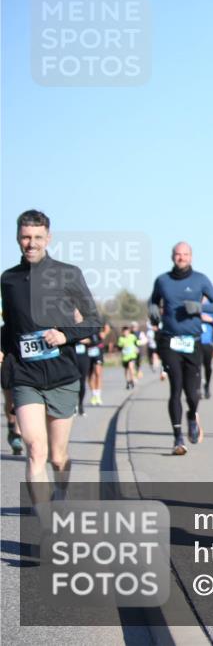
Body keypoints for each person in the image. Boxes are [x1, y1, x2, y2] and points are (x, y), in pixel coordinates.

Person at [0, 210, 100, 511]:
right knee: (35, 450)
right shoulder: (8, 279)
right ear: (18, 238)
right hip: (25, 375)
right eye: (25, 237)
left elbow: (93, 322)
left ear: (49, 238)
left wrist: (64, 334)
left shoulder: (68, 274)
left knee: (57, 457)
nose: (31, 243)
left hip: (62, 375)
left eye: (37, 237)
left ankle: (62, 495)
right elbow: (10, 326)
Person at [149, 242, 213, 456]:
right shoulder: (162, 280)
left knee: (192, 393)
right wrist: (153, 310)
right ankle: (177, 438)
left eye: (185, 254)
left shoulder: (200, 279)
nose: (181, 258)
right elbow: (153, 301)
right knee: (175, 388)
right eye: (178, 254)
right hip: (170, 340)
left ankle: (192, 416)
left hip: (193, 341)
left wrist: (199, 307)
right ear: (172, 256)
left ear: (191, 257)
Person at [87, 319, 110, 406]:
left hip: (97, 349)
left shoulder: (98, 318)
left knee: (98, 373)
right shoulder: (83, 319)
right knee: (89, 374)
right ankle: (94, 395)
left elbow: (107, 326)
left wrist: (104, 333)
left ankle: (98, 395)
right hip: (88, 349)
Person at [117, 325, 139, 389]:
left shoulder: (132, 337)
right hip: (125, 357)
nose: (126, 333)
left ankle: (132, 380)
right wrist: (122, 346)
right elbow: (119, 347)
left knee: (131, 367)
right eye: (124, 332)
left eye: (127, 332)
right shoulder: (121, 339)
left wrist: (137, 348)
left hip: (132, 356)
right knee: (126, 370)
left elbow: (136, 343)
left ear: (129, 332)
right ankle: (127, 381)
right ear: (122, 332)